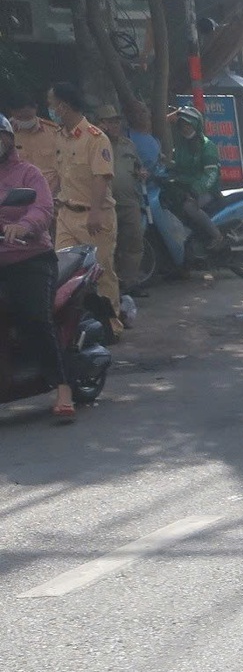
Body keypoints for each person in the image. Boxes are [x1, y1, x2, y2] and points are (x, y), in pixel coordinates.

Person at [0, 114, 77, 421]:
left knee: (34, 317)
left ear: (8, 140)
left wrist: (24, 225)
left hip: (29, 258)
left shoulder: (28, 174)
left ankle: (62, 387)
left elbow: (43, 208)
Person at [45, 83, 118, 325]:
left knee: (101, 272)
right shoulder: (59, 137)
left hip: (94, 217)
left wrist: (95, 212)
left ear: (63, 107)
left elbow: (101, 177)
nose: (50, 110)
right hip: (66, 215)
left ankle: (110, 324)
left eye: (52, 105)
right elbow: (59, 174)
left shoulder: (96, 138)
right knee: (62, 273)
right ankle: (71, 325)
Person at [99, 105, 148, 300]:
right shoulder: (97, 144)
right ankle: (111, 286)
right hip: (105, 203)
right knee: (109, 245)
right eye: (109, 121)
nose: (114, 125)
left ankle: (130, 282)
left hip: (129, 201)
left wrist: (141, 173)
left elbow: (138, 166)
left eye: (116, 121)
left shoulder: (128, 145)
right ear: (101, 123)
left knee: (133, 242)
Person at [162, 106, 222, 257]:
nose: (185, 128)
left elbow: (211, 174)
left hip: (206, 190)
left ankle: (217, 236)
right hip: (184, 188)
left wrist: (197, 189)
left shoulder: (208, 146)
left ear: (196, 125)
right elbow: (175, 167)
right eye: (182, 125)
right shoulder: (181, 146)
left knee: (190, 207)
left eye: (188, 124)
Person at [3, 90, 59, 184]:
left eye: (28, 117)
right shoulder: (5, 135)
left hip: (51, 194)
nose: (25, 121)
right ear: (12, 112)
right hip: (17, 194)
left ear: (35, 108)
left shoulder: (54, 132)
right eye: (21, 117)